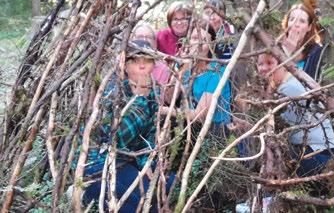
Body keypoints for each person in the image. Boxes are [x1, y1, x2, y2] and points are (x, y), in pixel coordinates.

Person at [78, 40, 172, 212]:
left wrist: (148, 165)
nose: (142, 66)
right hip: (98, 163)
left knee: (169, 186)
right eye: (135, 61)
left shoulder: (153, 91)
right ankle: (87, 195)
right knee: (141, 206)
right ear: (125, 65)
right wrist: (140, 100)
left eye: (148, 61)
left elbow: (150, 135)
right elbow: (116, 138)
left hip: (126, 160)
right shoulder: (112, 91)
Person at [257, 52, 334, 177]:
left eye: (269, 63)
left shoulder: (288, 89)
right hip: (321, 151)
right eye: (260, 64)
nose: (263, 68)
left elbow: (278, 128)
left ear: (283, 66)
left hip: (320, 154)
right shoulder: (291, 82)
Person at [181, 24, 232, 135]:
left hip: (216, 129)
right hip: (191, 126)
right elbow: (169, 98)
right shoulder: (187, 67)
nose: (198, 44)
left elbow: (199, 115)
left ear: (211, 47)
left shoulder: (217, 71)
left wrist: (162, 110)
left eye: (204, 41)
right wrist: (181, 69)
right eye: (195, 38)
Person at [281, 4, 323, 81]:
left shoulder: (316, 52)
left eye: (302, 21)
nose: (296, 24)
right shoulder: (277, 48)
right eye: (292, 19)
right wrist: (287, 52)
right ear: (287, 24)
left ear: (309, 27)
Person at [132, 21, 170, 87]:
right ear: (131, 40)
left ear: (155, 43)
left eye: (148, 37)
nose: (144, 40)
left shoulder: (162, 69)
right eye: (139, 37)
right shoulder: (121, 62)